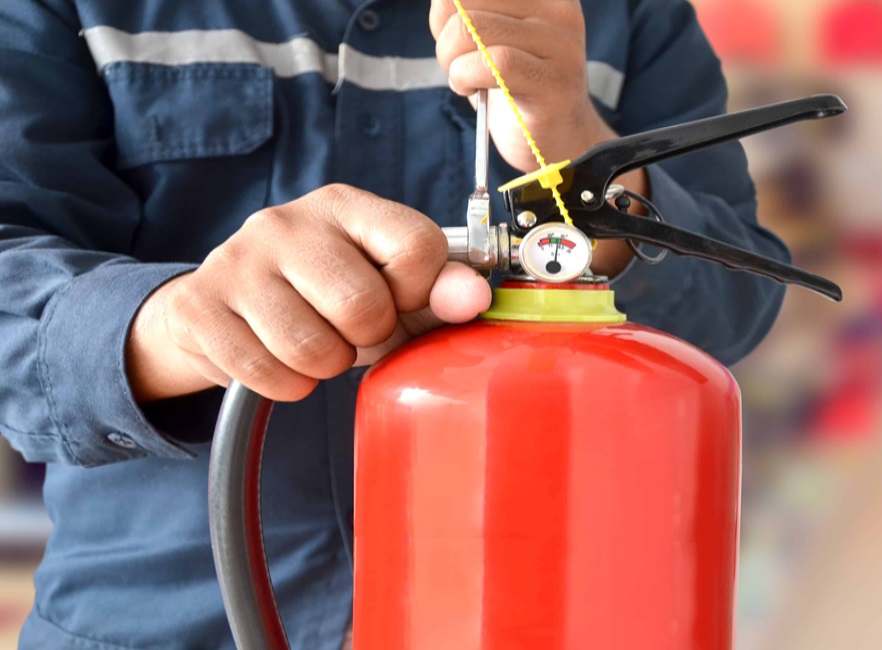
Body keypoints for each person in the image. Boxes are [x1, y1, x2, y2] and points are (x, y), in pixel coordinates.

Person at [0, 0, 791, 647]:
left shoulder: (630, 14)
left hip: (539, 617)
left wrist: (583, 154)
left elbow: (736, 307)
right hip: (155, 624)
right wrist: (183, 322)